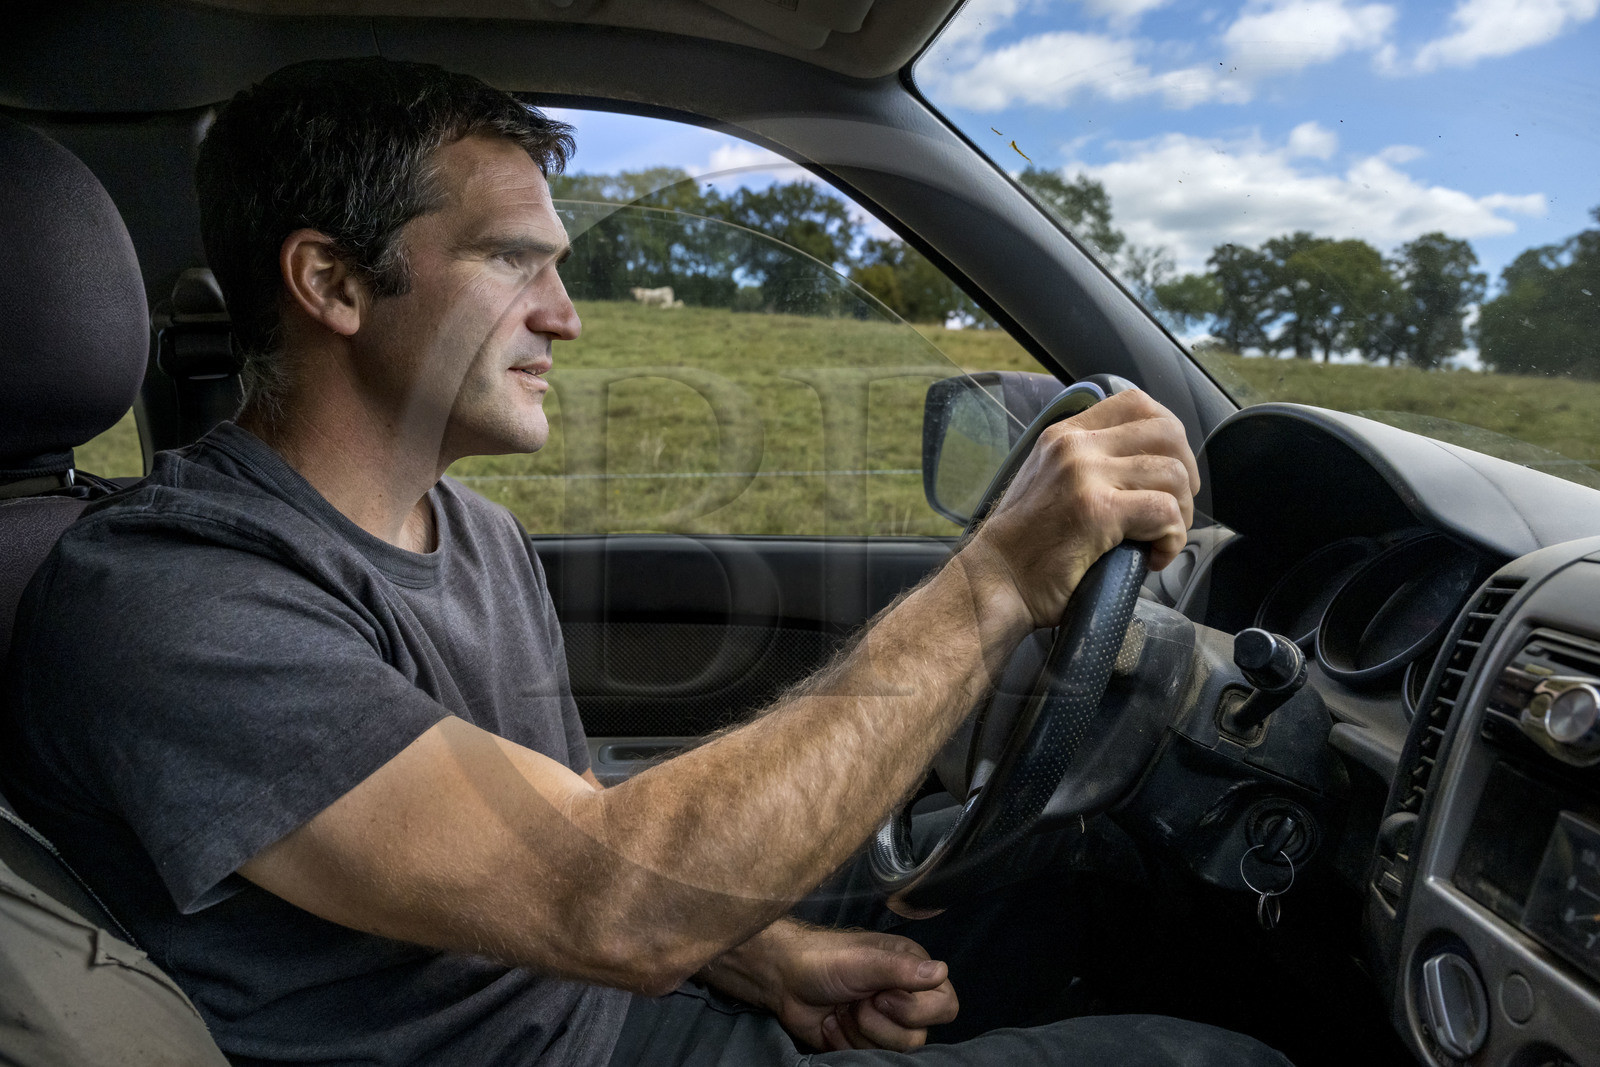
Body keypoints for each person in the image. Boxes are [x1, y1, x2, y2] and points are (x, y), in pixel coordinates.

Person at [0, 58, 1289, 1066]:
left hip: (599, 1003)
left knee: (1074, 890)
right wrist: (995, 583)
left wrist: (759, 954)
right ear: (333, 282)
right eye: (512, 262)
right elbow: (611, 902)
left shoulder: (474, 532)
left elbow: (550, 832)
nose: (564, 316)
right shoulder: (170, 600)